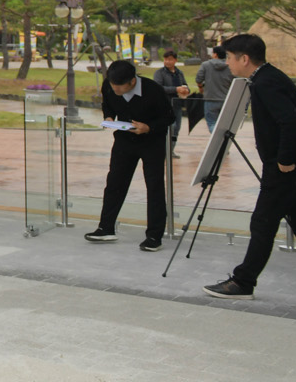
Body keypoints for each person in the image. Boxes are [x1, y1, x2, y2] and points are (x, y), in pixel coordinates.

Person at [204, 34, 296, 300]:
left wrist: (284, 159)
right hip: (290, 167)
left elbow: (291, 122)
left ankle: (243, 281)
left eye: (229, 57)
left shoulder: (266, 83)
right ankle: (243, 281)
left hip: (284, 169)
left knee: (263, 222)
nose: (227, 63)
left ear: (244, 58)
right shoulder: (268, 77)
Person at [86, 59, 175, 252]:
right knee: (114, 183)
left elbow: (169, 117)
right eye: (113, 86)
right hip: (125, 140)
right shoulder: (109, 85)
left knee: (154, 187)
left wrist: (148, 127)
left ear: (132, 81)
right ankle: (105, 228)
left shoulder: (153, 90)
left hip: (152, 142)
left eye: (119, 87)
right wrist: (108, 117)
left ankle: (154, 236)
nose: (115, 90)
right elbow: (107, 104)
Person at [154, 50, 191, 157]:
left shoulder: (179, 73)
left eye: (170, 59)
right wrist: (175, 89)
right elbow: (158, 88)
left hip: (177, 105)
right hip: (165, 105)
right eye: (165, 59)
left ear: (175, 60)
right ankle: (163, 150)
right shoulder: (160, 73)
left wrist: (186, 90)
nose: (167, 61)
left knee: (177, 128)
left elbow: (185, 85)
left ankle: (171, 150)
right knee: (171, 127)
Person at [197, 46, 234, 131]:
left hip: (210, 98)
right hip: (226, 99)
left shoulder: (206, 65)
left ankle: (217, 136)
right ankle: (222, 137)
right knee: (225, 125)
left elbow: (199, 79)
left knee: (211, 123)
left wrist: (201, 88)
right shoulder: (230, 66)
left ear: (215, 54)